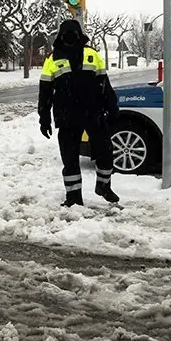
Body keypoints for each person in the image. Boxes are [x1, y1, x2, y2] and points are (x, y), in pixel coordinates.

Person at [38, 19, 120, 207]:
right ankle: (74, 198)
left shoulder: (92, 54)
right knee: (70, 158)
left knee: (106, 151)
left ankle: (103, 186)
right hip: (67, 117)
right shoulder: (52, 59)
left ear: (79, 34)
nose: (70, 37)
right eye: (66, 33)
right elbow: (45, 92)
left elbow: (104, 84)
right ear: (60, 35)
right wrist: (44, 118)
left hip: (94, 113)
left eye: (73, 33)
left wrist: (112, 107)